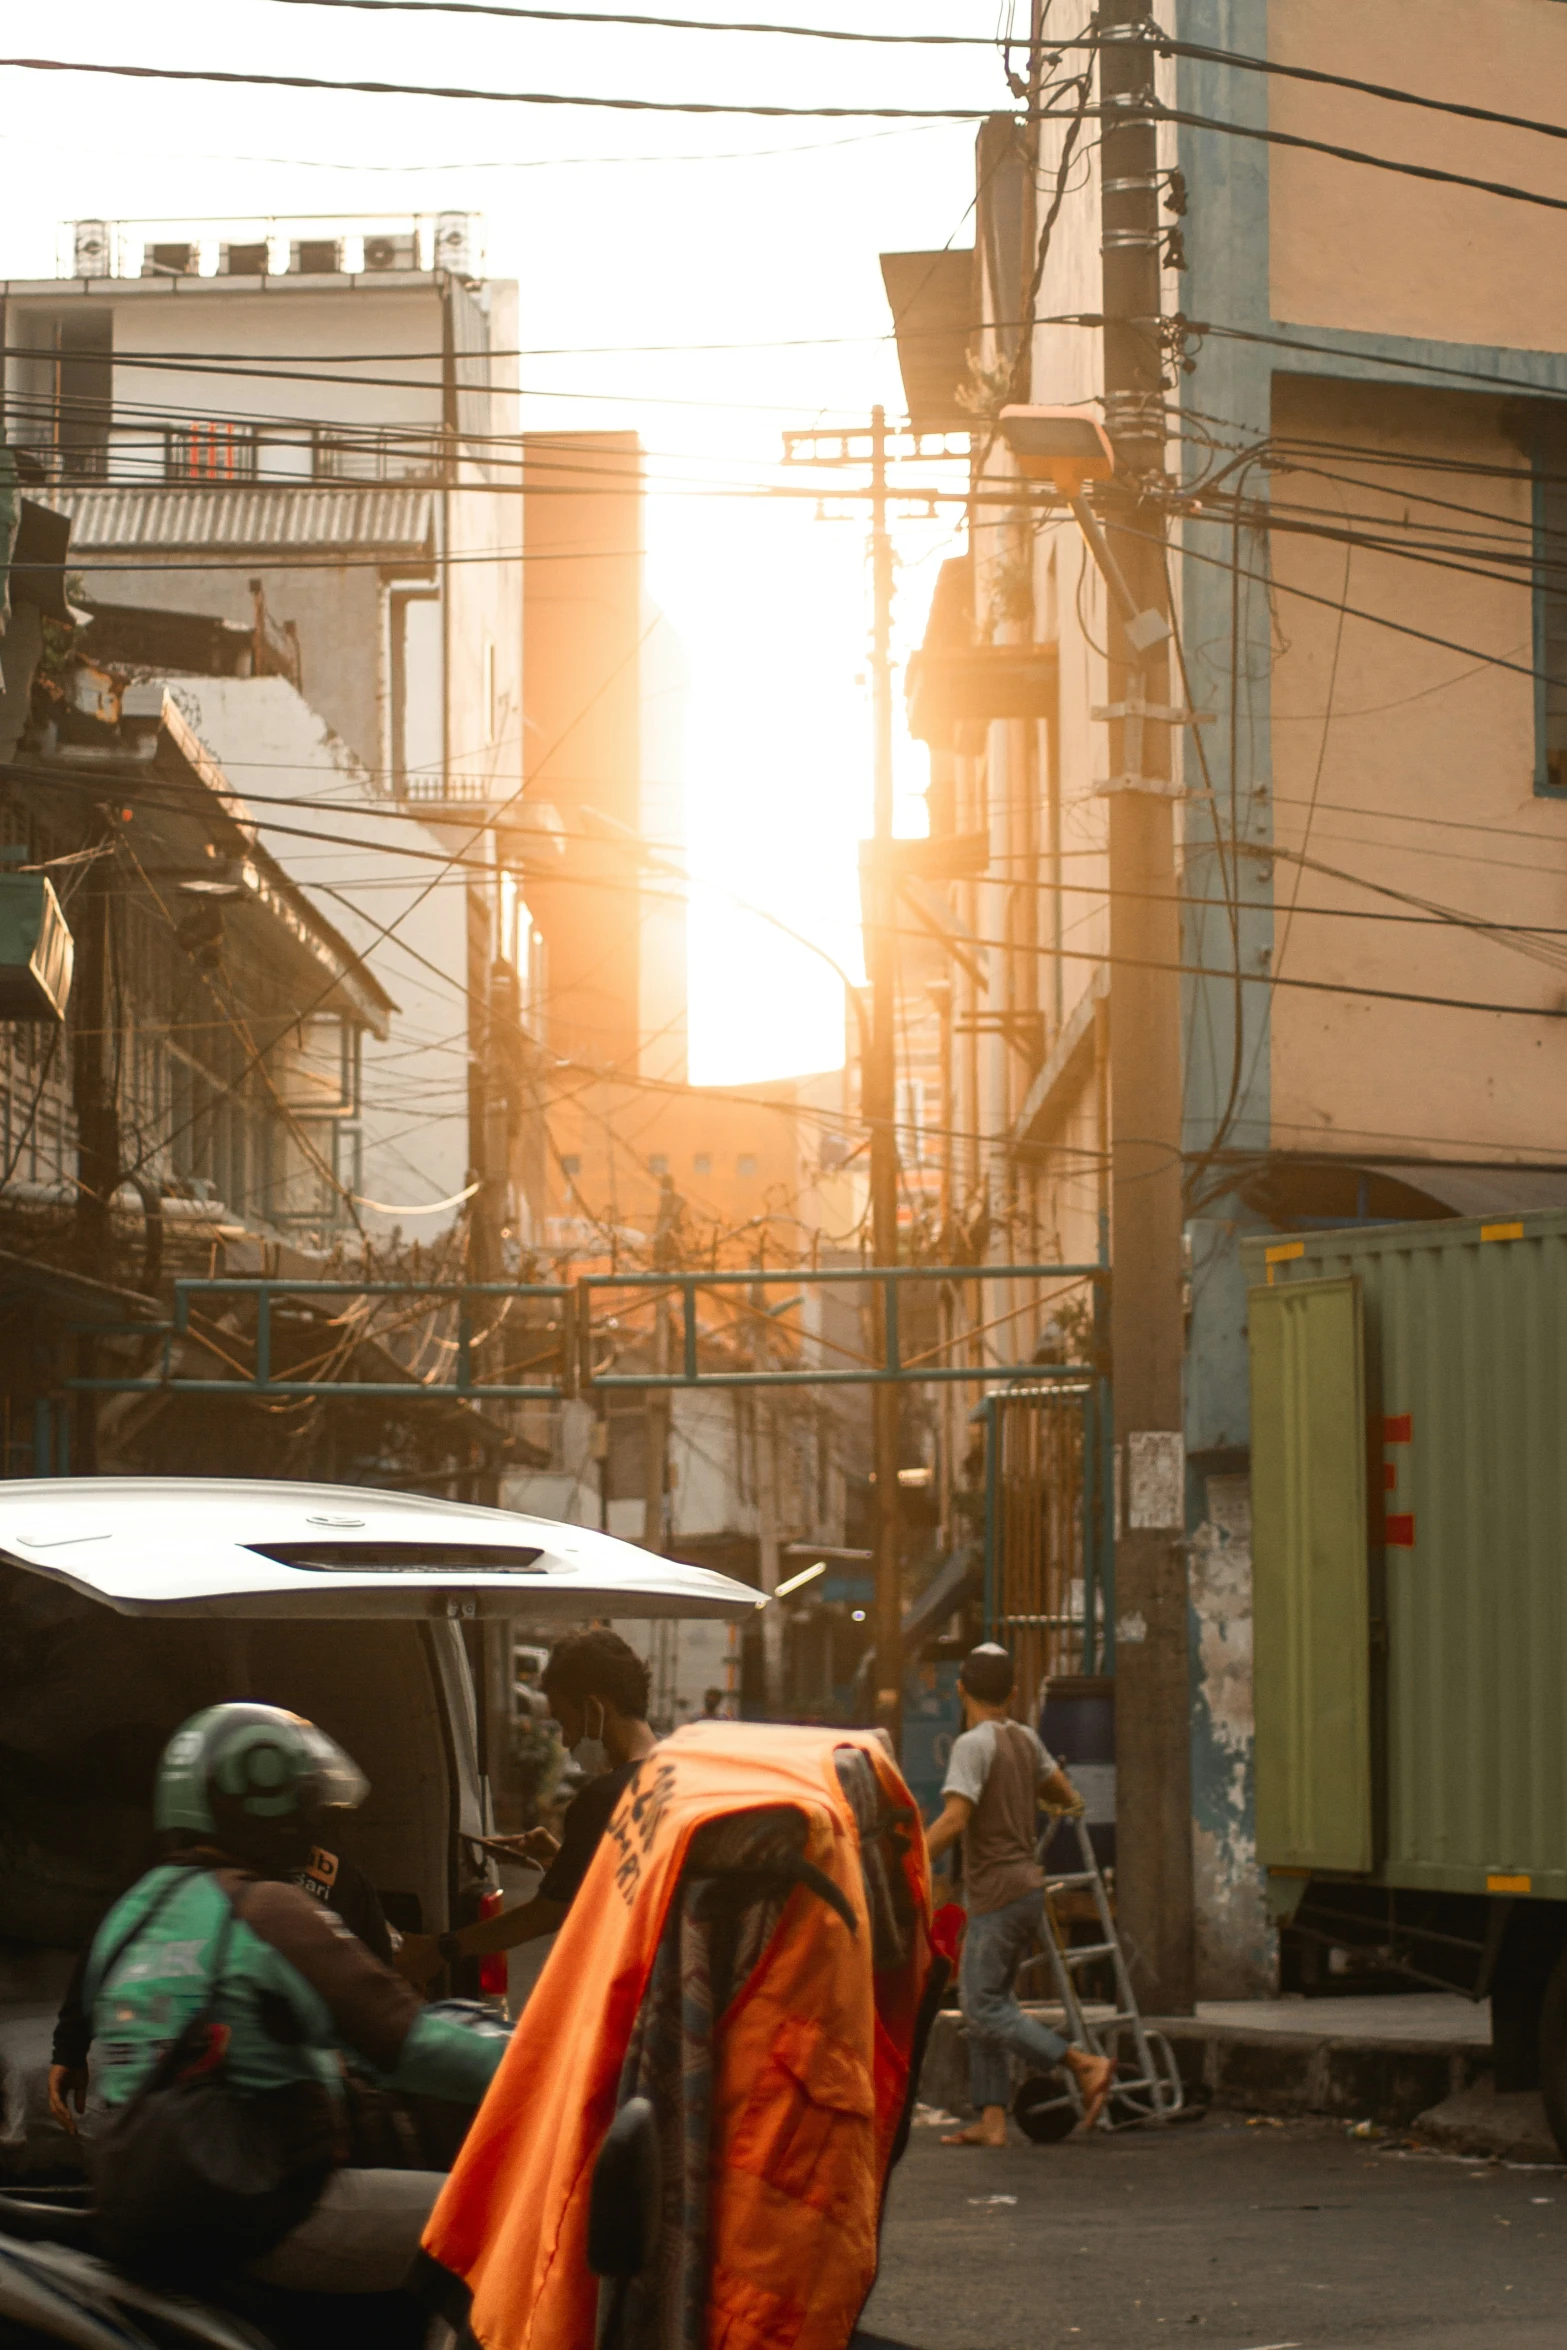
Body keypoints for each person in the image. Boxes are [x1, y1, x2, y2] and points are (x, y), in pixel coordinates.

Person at [76, 1702, 509, 2290]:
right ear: (261, 1806)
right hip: (257, 2211)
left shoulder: (134, 1912)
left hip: (148, 2210)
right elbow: (411, 2043)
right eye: (307, 1805)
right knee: (516, 2222)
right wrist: (555, 2062)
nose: (317, 1825)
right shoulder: (268, 1909)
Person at [49, 1833, 394, 2137]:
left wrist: (70, 2047)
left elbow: (114, 1941)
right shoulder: (327, 1872)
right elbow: (379, 1997)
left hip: (261, 2108)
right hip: (271, 2110)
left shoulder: (171, 1880)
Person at [924, 1643, 1114, 2146]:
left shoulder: (972, 1745)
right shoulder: (1025, 1739)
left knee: (981, 2008)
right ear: (1012, 1691)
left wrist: (911, 1858)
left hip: (996, 1892)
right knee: (992, 2000)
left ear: (960, 1688)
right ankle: (991, 2121)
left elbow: (955, 1819)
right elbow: (1068, 1798)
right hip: (1027, 1887)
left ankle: (1081, 2063)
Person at [398, 1629, 656, 1986]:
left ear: (595, 1710)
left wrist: (441, 1948)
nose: (565, 1741)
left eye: (566, 1723)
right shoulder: (680, 1775)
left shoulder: (604, 1797)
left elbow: (547, 1913)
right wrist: (560, 1860)